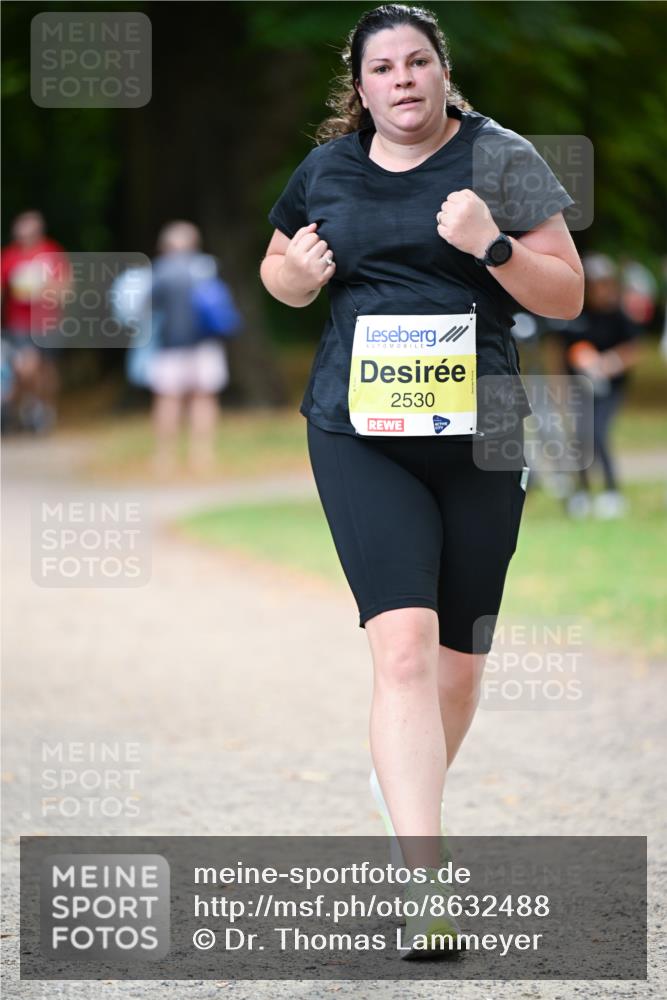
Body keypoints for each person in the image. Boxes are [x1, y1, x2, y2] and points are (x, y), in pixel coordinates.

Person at [260, 3, 583, 956]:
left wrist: (493, 244)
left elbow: (565, 293)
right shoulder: (326, 170)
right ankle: (423, 880)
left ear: (442, 72)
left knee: (456, 664)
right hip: (360, 431)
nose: (400, 79)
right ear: (357, 88)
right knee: (401, 647)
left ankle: (407, 789)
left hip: (479, 435)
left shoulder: (500, 158)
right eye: (380, 68)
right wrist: (300, 274)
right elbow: (276, 267)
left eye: (416, 62)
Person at [146, 221, 235, 475]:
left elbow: (149, 307)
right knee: (204, 398)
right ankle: (203, 455)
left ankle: (165, 457)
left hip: (170, 346)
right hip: (206, 344)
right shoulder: (207, 267)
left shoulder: (160, 271)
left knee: (168, 400)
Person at [558, 253, 641, 519]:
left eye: (605, 283)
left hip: (610, 389)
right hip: (580, 386)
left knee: (598, 434)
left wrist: (609, 363)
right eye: (596, 284)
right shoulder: (576, 313)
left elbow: (632, 350)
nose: (601, 289)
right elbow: (561, 349)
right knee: (580, 437)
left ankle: (611, 491)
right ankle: (581, 492)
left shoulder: (619, 316)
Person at [1, 210, 68, 432]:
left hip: (47, 321)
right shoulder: (9, 256)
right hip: (19, 323)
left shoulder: (51, 252)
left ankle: (45, 408)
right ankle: (29, 407)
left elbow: (66, 288)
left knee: (46, 369)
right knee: (25, 366)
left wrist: (44, 288)